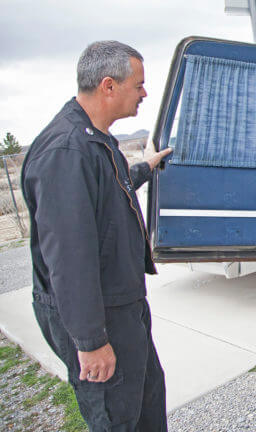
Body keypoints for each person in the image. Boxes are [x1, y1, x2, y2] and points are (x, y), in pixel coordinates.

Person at [21, 41, 172, 431]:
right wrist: (90, 342)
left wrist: (146, 167)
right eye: (138, 84)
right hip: (100, 316)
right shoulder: (66, 152)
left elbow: (110, 188)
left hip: (123, 305)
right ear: (109, 86)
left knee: (145, 401)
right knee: (117, 415)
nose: (144, 93)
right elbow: (69, 259)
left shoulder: (95, 139)